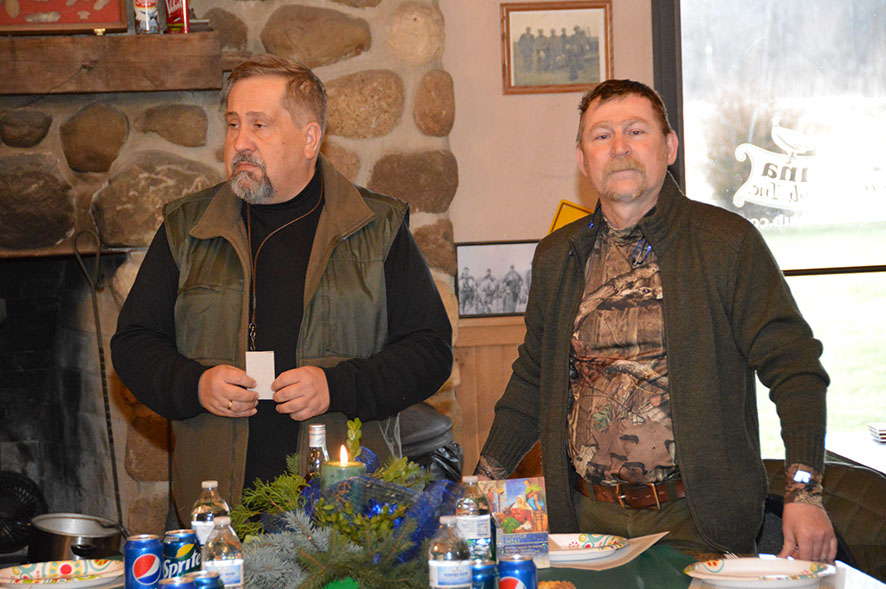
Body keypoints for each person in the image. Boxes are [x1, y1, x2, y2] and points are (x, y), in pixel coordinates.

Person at [476, 79, 837, 562]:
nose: (619, 147)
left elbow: (796, 369)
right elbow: (532, 377)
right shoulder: (558, 256)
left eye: (636, 131)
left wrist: (804, 491)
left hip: (699, 524)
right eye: (601, 135)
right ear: (583, 159)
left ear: (669, 147)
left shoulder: (727, 244)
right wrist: (482, 482)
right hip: (583, 524)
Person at [111, 54, 453, 525]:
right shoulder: (187, 228)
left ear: (310, 138)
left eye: (260, 125)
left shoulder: (377, 227)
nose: (240, 142)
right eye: (233, 124)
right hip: (218, 513)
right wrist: (196, 385)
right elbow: (133, 345)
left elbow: (430, 352)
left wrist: (336, 387)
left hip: (344, 521)